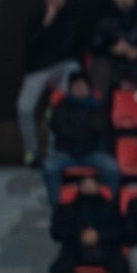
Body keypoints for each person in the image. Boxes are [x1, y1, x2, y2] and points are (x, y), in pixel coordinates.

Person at [17, 0, 83, 165]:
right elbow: (32, 47)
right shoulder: (35, 18)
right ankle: (31, 152)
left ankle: (55, 149)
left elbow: (68, 46)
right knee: (24, 108)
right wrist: (47, 21)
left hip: (63, 67)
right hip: (38, 69)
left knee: (61, 102)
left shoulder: (72, 17)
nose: (54, 0)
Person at [40, 72, 118, 204]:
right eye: (76, 85)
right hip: (66, 153)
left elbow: (101, 126)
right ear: (71, 88)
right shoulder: (61, 107)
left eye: (83, 85)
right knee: (49, 166)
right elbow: (61, 129)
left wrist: (79, 127)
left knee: (112, 168)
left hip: (91, 152)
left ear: (89, 88)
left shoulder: (98, 107)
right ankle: (57, 207)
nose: (80, 88)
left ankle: (109, 206)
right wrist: (86, 127)